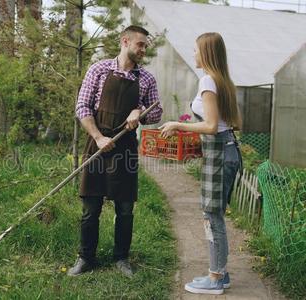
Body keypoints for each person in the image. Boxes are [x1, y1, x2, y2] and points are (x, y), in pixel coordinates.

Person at [68, 25, 163, 277]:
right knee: (91, 207)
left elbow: (157, 112)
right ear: (125, 41)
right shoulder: (99, 70)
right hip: (97, 145)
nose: (143, 49)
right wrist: (98, 137)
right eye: (140, 44)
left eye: (145, 45)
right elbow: (82, 107)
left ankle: (121, 258)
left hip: (125, 148)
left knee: (124, 208)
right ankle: (86, 257)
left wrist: (139, 111)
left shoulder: (146, 79)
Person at [159, 32, 242, 295]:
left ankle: (215, 277)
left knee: (211, 215)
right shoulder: (222, 80)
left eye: (196, 50)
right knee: (214, 214)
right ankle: (221, 273)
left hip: (220, 154)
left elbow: (210, 125)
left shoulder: (208, 81)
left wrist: (177, 124)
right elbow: (223, 124)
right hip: (227, 151)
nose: (193, 54)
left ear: (205, 53)